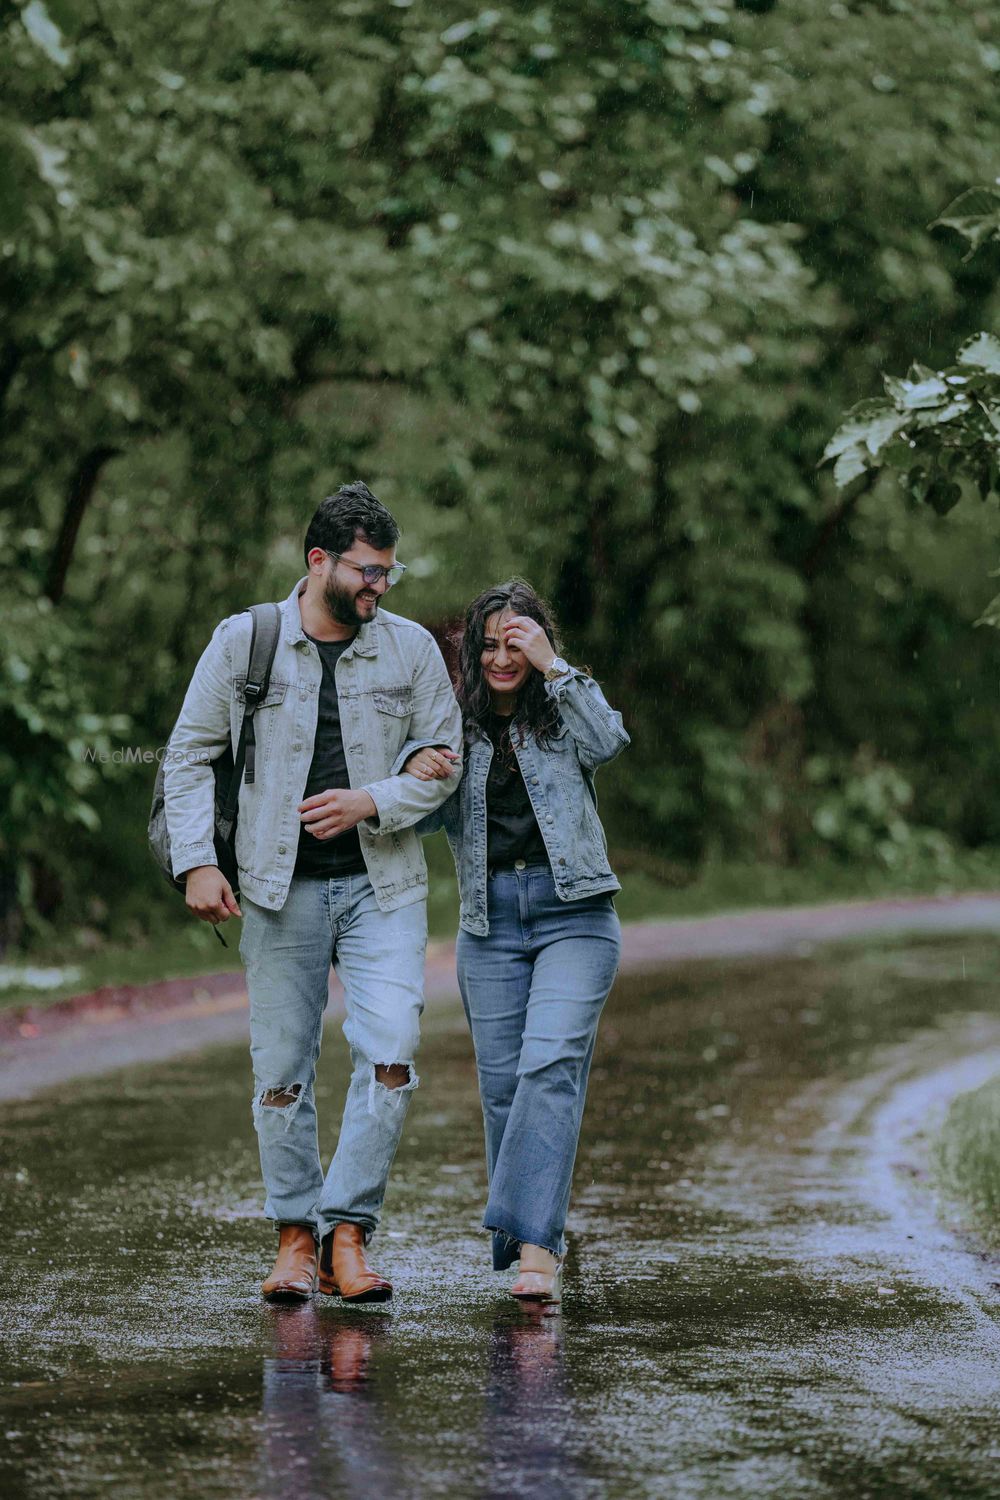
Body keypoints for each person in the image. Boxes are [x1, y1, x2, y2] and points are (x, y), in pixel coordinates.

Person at [162, 481, 462, 1303]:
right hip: (274, 888)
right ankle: (296, 1237)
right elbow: (188, 754)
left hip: (384, 886)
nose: (380, 587)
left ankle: (349, 1234)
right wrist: (197, 862)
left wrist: (377, 799)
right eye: (367, 571)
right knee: (281, 1071)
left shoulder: (410, 651)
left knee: (392, 1052)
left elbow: (446, 753)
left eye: (389, 574)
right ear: (318, 561)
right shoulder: (244, 643)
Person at [401, 580, 628, 1302]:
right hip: (489, 926)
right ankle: (529, 1232)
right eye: (490, 643)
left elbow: (610, 740)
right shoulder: (453, 725)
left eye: (516, 641)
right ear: (470, 649)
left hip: (576, 916)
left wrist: (556, 666)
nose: (503, 656)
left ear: (536, 642)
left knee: (548, 1065)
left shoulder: (563, 710)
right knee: (503, 1092)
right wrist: (416, 769)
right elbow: (420, 816)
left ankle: (537, 1252)